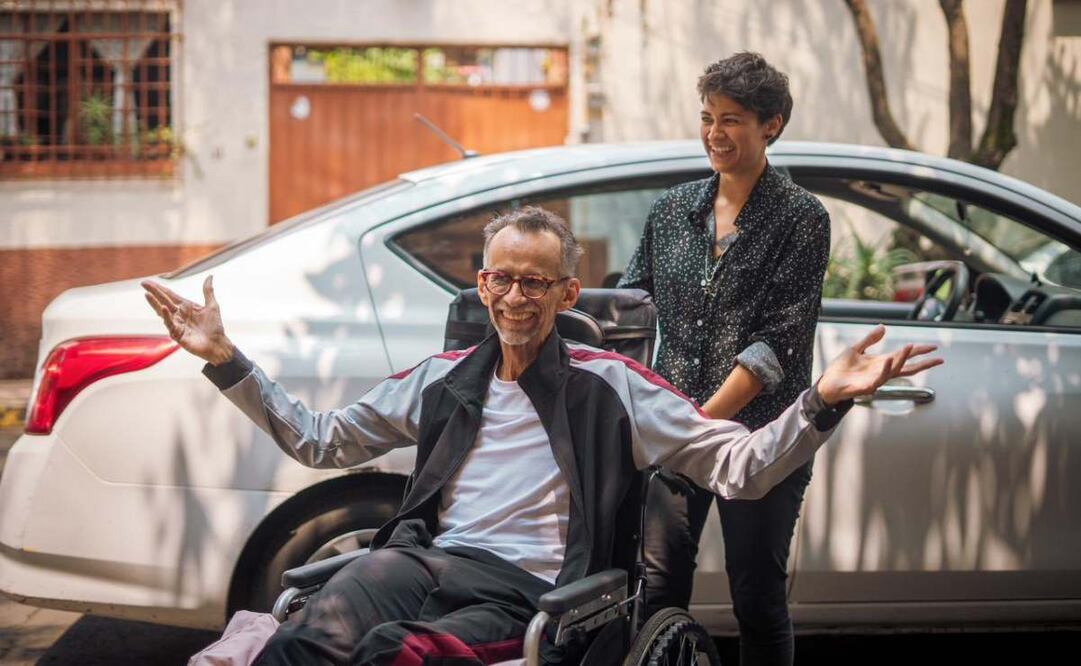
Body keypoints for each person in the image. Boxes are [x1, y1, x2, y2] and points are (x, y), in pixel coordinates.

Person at [142, 206, 939, 666]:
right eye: (502, 278)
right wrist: (225, 358)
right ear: (480, 284)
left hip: (528, 591)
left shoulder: (614, 386)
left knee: (395, 653)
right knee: (307, 638)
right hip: (419, 560)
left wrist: (819, 400)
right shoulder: (442, 378)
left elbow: (741, 467)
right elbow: (320, 441)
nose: (515, 296)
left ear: (566, 292)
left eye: (534, 281)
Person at [618, 52, 833, 665]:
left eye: (731, 119)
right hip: (673, 432)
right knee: (656, 592)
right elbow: (632, 306)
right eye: (707, 118)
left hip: (759, 437)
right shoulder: (673, 209)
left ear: (772, 124)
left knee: (757, 596)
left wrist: (697, 424)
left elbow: (775, 345)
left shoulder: (802, 217)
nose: (714, 133)